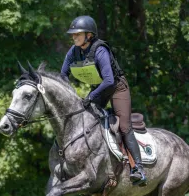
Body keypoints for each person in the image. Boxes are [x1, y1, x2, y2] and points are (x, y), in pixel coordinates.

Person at [60, 15, 146, 186]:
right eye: (73, 34)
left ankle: (139, 168)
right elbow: (63, 75)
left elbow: (109, 80)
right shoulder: (74, 51)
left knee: (123, 126)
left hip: (116, 87)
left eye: (78, 34)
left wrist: (90, 96)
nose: (74, 37)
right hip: (99, 88)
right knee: (83, 119)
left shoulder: (100, 50)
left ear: (89, 35)